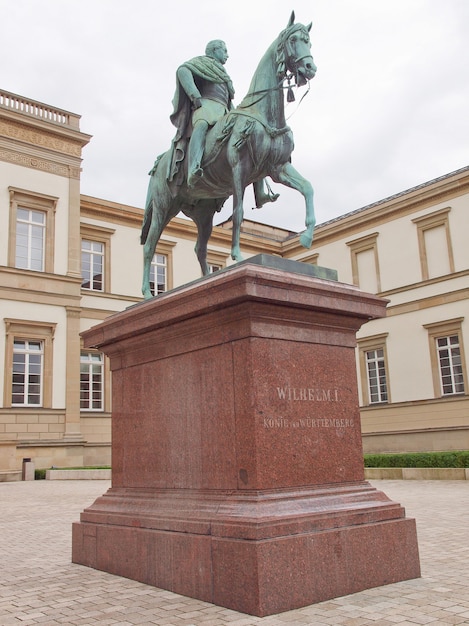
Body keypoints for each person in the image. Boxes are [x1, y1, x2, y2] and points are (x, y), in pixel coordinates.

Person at [169, 40, 278, 206]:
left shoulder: (223, 74)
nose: (227, 54)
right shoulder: (202, 63)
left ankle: (260, 193)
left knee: (250, 140)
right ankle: (193, 167)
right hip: (206, 105)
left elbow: (227, 100)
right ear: (214, 50)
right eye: (224, 50)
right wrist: (194, 95)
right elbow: (182, 70)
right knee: (202, 125)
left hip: (225, 111)